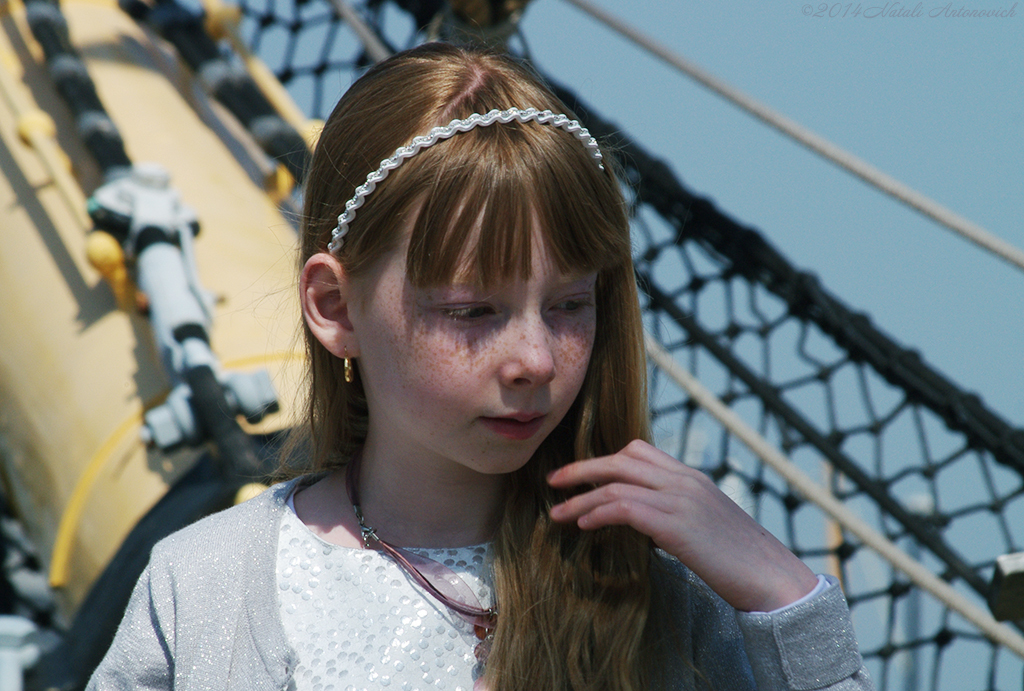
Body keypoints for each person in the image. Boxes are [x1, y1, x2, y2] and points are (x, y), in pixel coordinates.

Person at [88, 42, 873, 690]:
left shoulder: (672, 603)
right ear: (335, 307)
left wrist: (783, 595)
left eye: (570, 305)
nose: (535, 358)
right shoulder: (204, 587)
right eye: (472, 311)